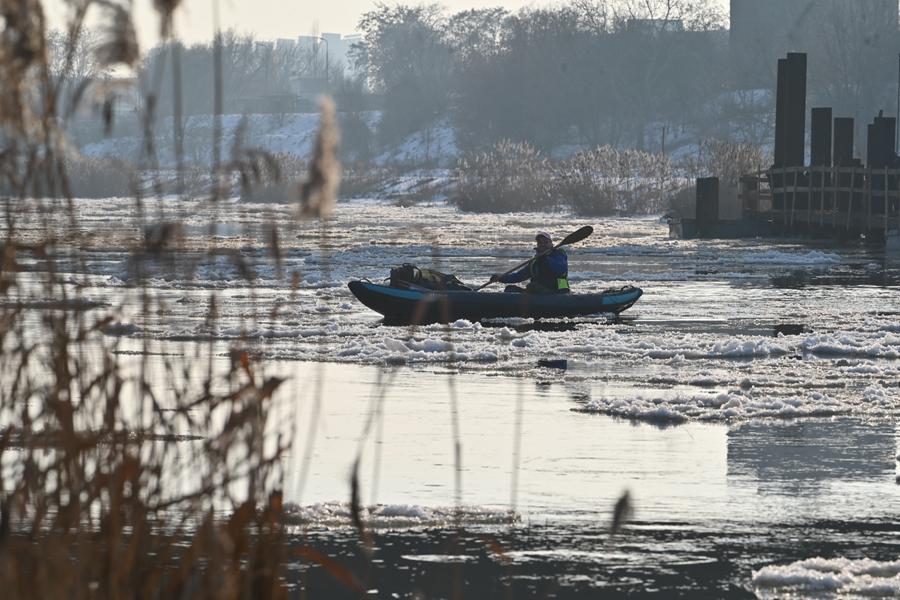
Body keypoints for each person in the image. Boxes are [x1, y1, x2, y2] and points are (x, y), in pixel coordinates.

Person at [490, 231, 570, 294]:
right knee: (510, 289)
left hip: (558, 292)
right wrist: (501, 278)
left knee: (532, 286)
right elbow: (519, 276)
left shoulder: (558, 254)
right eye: (540, 243)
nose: (543, 245)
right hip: (539, 292)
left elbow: (560, 269)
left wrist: (545, 258)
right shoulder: (535, 262)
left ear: (551, 244)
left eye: (546, 242)